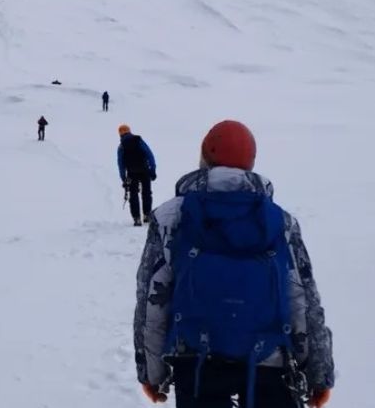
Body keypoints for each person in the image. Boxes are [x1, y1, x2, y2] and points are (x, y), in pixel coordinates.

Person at [134, 120, 334, 408]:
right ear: (250, 163)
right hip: (270, 365)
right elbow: (302, 299)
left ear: (205, 156)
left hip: (197, 366)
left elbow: (153, 299)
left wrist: (151, 373)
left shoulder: (171, 217)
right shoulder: (280, 221)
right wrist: (318, 373)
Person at [117, 124, 156, 227]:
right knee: (146, 192)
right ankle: (147, 215)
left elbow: (121, 164)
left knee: (133, 195)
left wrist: (124, 179)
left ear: (120, 134)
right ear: (130, 131)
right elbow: (149, 154)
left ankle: (137, 218)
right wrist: (152, 169)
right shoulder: (139, 141)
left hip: (131, 172)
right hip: (144, 170)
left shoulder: (121, 146)